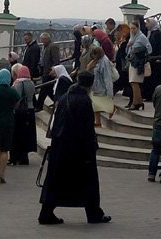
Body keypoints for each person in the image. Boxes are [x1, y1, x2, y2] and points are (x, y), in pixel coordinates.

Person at [38, 71, 111, 225]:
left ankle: (46, 213)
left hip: (60, 148)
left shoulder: (65, 97)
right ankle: (94, 213)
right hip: (79, 150)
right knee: (88, 181)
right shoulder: (84, 101)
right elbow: (86, 129)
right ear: (90, 85)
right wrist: (91, 147)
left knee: (56, 182)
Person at [10, 65, 36, 166]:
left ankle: (16, 157)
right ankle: (24, 157)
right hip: (30, 110)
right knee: (26, 134)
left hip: (19, 111)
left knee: (18, 134)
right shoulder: (31, 83)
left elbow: (16, 97)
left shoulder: (18, 83)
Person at [126, 21, 151, 111]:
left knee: (135, 82)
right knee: (133, 82)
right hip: (132, 61)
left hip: (138, 63)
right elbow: (128, 51)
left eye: (134, 28)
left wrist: (137, 49)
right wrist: (129, 45)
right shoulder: (132, 38)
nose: (132, 30)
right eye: (131, 28)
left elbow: (149, 48)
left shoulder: (141, 37)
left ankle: (136, 103)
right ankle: (139, 101)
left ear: (138, 28)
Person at [87, 45, 114, 126]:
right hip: (96, 86)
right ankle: (98, 121)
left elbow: (107, 77)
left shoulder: (104, 62)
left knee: (97, 104)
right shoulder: (97, 61)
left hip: (101, 86)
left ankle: (111, 109)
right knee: (95, 105)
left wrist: (110, 91)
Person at [35, 33, 61, 111]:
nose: (41, 41)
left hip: (50, 72)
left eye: (43, 40)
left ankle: (39, 106)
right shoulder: (44, 46)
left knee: (44, 89)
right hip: (44, 71)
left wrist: (53, 70)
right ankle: (58, 102)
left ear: (47, 39)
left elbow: (56, 60)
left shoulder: (53, 46)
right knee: (49, 90)